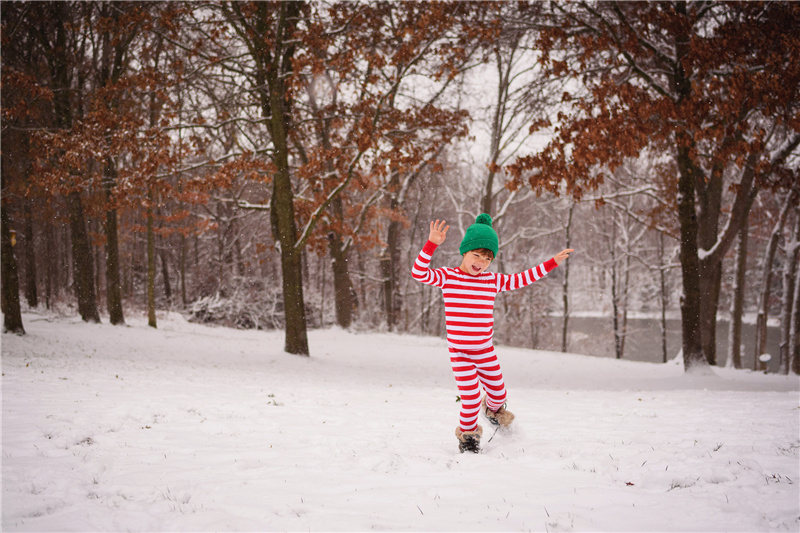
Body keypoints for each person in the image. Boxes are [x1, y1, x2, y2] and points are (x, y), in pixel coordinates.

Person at [411, 213, 573, 453]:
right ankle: (468, 436)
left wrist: (551, 263)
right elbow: (419, 273)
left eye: (487, 258)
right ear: (464, 252)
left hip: (485, 351)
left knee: (498, 393)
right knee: (470, 398)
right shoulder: (448, 277)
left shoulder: (491, 281)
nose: (481, 261)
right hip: (460, 353)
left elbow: (521, 279)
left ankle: (493, 412)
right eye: (476, 255)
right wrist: (432, 243)